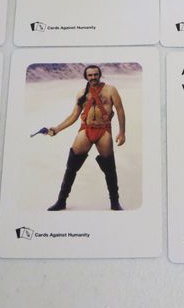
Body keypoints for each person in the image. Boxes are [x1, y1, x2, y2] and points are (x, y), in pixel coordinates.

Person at [46, 65, 126, 211]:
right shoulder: (81, 93)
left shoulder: (110, 90)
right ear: (86, 77)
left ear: (99, 75)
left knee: (109, 168)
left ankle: (115, 203)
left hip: (103, 130)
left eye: (95, 74)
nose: (93, 77)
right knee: (71, 166)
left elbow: (120, 110)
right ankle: (61, 201)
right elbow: (74, 116)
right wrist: (57, 129)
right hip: (86, 129)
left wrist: (122, 133)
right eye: (90, 75)